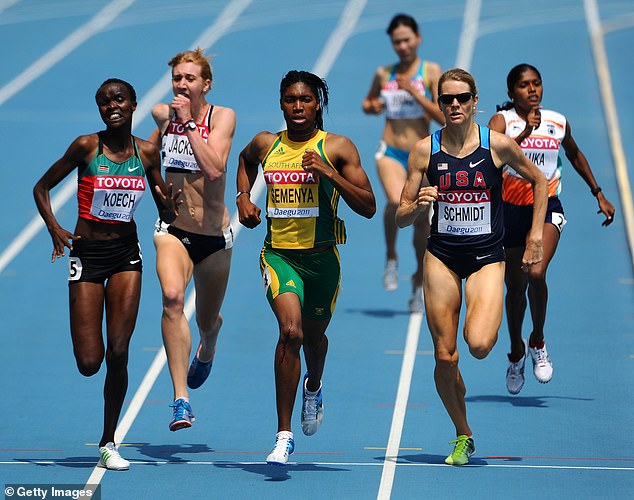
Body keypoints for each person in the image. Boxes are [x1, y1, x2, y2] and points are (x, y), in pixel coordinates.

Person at [396, 68, 548, 465]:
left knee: (478, 345)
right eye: (447, 100)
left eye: (462, 98)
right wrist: (418, 205)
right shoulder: (423, 151)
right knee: (445, 357)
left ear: (475, 100)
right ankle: (463, 433)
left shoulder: (496, 146)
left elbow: (539, 181)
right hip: (442, 256)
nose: (455, 105)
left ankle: (499, 345)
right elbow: (400, 214)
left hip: (486, 258)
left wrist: (534, 235)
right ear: (440, 104)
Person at [33, 79, 180, 470]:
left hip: (125, 256)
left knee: (119, 350)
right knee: (89, 362)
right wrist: (54, 227)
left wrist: (169, 208)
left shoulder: (147, 153)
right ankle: (106, 428)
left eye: (118, 100)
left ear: (133, 104)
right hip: (86, 256)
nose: (112, 106)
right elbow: (41, 187)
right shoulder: (86, 147)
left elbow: (166, 210)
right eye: (104, 102)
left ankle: (109, 440)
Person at [236, 70, 376, 465]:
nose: (298, 107)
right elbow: (244, 160)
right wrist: (243, 197)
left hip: (322, 262)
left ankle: (313, 386)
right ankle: (283, 435)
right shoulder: (267, 144)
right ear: (281, 103)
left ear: (319, 105)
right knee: (290, 332)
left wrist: (329, 173)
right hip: (279, 255)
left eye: (306, 100)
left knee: (314, 339)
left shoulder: (337, 147)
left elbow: (368, 206)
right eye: (290, 99)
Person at [488, 64, 616, 394]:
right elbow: (492, 157)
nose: (532, 90)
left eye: (536, 84)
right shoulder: (503, 122)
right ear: (511, 92)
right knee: (514, 289)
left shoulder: (557, 121)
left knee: (536, 273)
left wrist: (598, 192)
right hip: (510, 213)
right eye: (523, 85)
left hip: (547, 210)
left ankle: (537, 340)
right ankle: (516, 350)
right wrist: (526, 134)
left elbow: (573, 152)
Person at [149, 48, 236, 431]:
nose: (182, 85)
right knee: (172, 299)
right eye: (177, 78)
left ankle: (210, 342)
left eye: (190, 78)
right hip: (174, 232)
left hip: (214, 236)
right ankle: (180, 399)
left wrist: (186, 126)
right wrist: (158, 195)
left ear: (206, 84)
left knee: (206, 319)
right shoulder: (161, 115)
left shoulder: (222, 118)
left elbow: (216, 169)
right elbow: (148, 159)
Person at [362, 13, 444, 312]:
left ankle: (419, 282)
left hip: (420, 156)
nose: (403, 46)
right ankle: (392, 257)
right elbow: (367, 103)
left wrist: (414, 93)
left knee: (423, 222)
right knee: (398, 203)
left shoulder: (431, 71)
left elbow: (442, 115)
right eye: (397, 41)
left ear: (418, 38)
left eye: (407, 39)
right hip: (390, 151)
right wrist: (374, 106)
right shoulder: (384, 73)